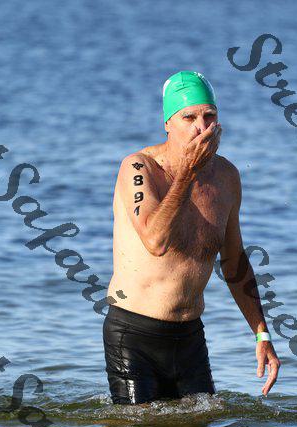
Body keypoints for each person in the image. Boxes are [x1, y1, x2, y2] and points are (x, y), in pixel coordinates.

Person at [103, 70, 281, 405]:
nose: (201, 127)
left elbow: (234, 261)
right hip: (134, 335)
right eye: (189, 118)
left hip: (189, 337)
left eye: (209, 116)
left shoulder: (226, 176)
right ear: (167, 124)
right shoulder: (138, 168)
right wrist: (187, 172)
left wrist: (261, 333)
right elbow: (155, 241)